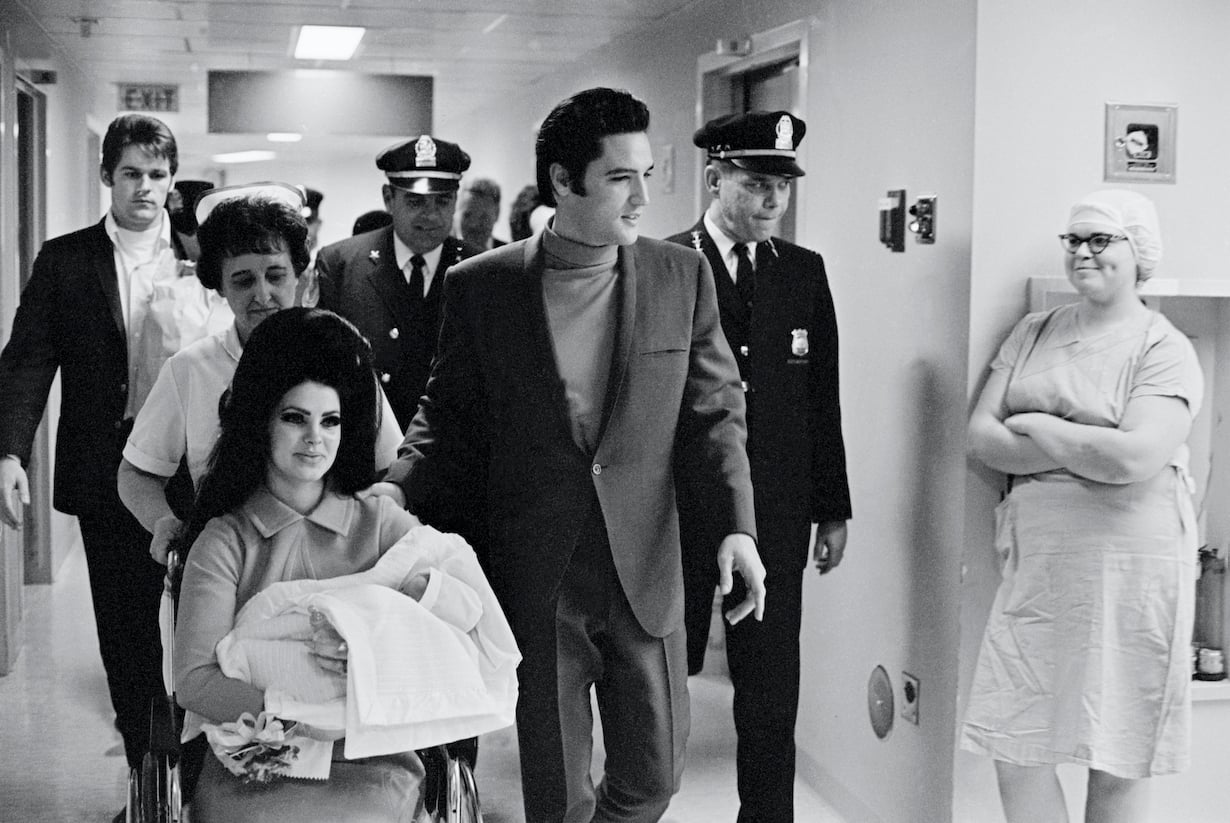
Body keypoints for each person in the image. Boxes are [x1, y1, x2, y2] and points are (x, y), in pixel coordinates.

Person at [369, 86, 767, 823]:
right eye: (620, 177)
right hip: (540, 572)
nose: (642, 197)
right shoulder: (483, 286)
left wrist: (737, 526)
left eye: (646, 174)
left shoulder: (681, 276)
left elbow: (715, 414)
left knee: (653, 780)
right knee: (558, 794)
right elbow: (446, 413)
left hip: (645, 566)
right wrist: (397, 486)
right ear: (562, 179)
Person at [961, 190, 1201, 823]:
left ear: (1138, 250)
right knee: (1015, 740)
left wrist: (1037, 424)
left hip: (1133, 570)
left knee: (1118, 746)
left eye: (1100, 240)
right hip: (1041, 567)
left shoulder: (1163, 346)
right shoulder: (1033, 332)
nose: (1082, 253)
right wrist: (1090, 444)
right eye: (1073, 240)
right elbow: (982, 438)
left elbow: (1134, 459)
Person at [172, 307, 433, 821]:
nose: (315, 438)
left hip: (372, 749)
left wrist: (390, 630)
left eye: (331, 421)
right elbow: (195, 680)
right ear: (261, 422)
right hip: (253, 748)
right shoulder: (225, 540)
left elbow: (444, 612)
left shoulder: (383, 524)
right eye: (294, 418)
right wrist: (298, 715)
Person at [666, 110, 851, 823]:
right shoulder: (668, 264)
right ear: (715, 178)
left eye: (782, 186)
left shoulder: (802, 272)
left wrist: (831, 507)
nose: (773, 200)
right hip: (680, 507)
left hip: (775, 508)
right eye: (754, 184)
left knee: (771, 689)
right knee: (661, 678)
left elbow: (821, 399)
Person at [0, 113, 179, 821]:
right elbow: (28, 359)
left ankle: (203, 775)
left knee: (205, 630)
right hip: (107, 479)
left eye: (157, 174)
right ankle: (148, 778)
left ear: (171, 179)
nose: (145, 187)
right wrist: (10, 450)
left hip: (193, 478)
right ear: (107, 175)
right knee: (128, 637)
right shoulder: (66, 260)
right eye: (131, 172)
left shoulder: (198, 254)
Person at [118, 183, 405, 565]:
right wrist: (164, 522)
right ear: (219, 285)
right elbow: (137, 472)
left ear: (300, 276)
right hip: (230, 565)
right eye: (243, 280)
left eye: (275, 275)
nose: (263, 294)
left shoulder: (344, 359)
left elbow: (391, 466)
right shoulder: (190, 370)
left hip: (337, 566)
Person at [316, 136, 484, 428]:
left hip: (452, 442)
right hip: (367, 436)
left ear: (456, 200)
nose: (430, 215)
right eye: (415, 201)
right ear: (388, 198)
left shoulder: (481, 270)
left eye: (442, 200)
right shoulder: (341, 265)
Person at [456, 177, 505, 249]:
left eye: (483, 218)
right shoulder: (441, 250)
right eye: (467, 215)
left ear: (497, 214)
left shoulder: (510, 254)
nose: (473, 225)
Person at [296, 186, 325, 307]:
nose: (303, 228)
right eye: (297, 222)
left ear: (318, 224)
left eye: (308, 222)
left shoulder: (326, 260)